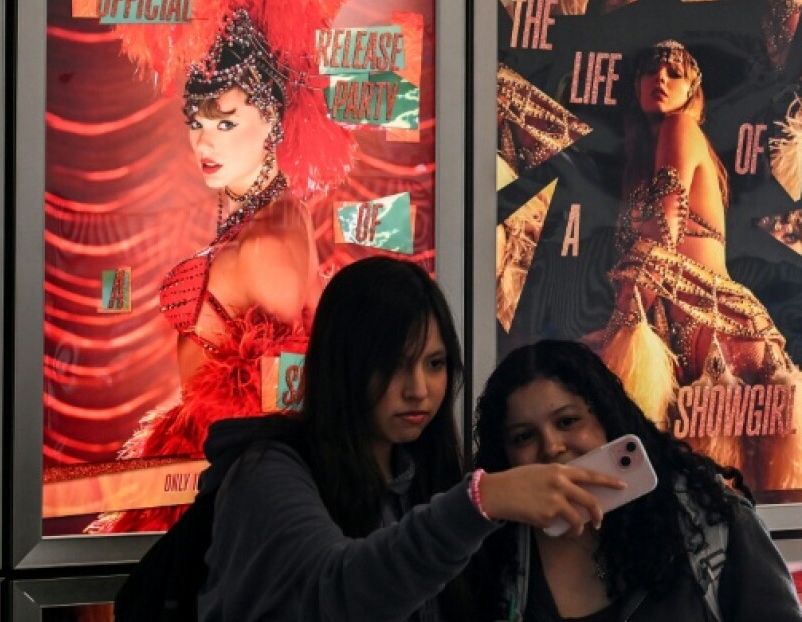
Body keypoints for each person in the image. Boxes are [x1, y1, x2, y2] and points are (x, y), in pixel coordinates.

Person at [199, 258, 624, 621]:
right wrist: (479, 502)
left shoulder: (423, 473)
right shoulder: (266, 472)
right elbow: (337, 594)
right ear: (343, 365)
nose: (418, 388)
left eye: (435, 363)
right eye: (393, 364)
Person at [90, 7, 352, 533]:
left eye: (225, 122)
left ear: (272, 120)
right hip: (207, 473)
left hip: (232, 493)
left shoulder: (269, 240)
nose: (205, 143)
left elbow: (289, 405)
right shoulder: (264, 216)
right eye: (197, 123)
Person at [599, 39, 802, 493]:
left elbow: (663, 228)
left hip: (711, 323)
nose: (660, 78)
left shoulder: (678, 127)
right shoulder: (650, 153)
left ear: (692, 89)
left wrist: (620, 320)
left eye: (674, 73)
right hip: (701, 322)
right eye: (650, 70)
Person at [473, 339, 802, 622]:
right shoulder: (497, 546)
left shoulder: (707, 519)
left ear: (607, 421)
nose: (551, 447)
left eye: (568, 421)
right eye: (523, 437)